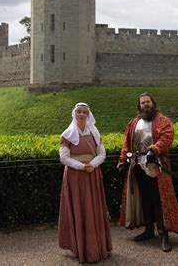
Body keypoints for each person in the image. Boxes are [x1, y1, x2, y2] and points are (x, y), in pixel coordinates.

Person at [118, 93, 178, 252]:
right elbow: (127, 144)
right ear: (139, 106)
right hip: (138, 166)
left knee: (159, 200)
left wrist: (155, 150)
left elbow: (167, 136)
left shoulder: (163, 121)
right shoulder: (133, 123)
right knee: (145, 199)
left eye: (148, 102)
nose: (145, 105)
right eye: (142, 103)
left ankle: (164, 234)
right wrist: (123, 161)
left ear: (153, 103)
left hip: (157, 166)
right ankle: (149, 230)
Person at [58, 102, 112, 263]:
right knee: (80, 208)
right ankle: (80, 247)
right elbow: (64, 158)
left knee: (93, 209)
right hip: (76, 177)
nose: (81, 115)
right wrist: (82, 166)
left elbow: (102, 153)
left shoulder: (95, 132)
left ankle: (96, 246)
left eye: (84, 112)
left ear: (88, 115)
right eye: (79, 112)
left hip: (92, 175)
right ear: (74, 113)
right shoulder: (67, 134)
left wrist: (92, 165)